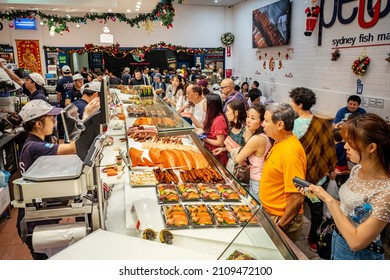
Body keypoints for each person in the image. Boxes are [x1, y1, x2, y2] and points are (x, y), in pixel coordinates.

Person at [16, 99, 100, 259]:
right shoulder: (35, 147)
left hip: (39, 215)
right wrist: (88, 117)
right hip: (33, 223)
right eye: (50, 118)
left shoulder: (36, 142)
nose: (54, 121)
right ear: (38, 124)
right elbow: (74, 147)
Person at [300, 113, 390, 260]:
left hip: (359, 255)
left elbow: (356, 242)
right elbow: (349, 208)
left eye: (350, 141)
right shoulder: (356, 170)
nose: (345, 146)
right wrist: (317, 194)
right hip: (338, 241)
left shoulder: (386, 191)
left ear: (371, 147)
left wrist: (328, 199)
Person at [289, 87, 337, 251]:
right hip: (318, 177)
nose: (291, 103)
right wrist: (331, 169)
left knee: (294, 204)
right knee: (316, 211)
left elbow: (291, 149)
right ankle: (313, 239)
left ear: (300, 104)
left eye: (293, 100)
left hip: (298, 177)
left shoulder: (294, 125)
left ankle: (288, 234)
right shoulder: (322, 123)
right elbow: (329, 148)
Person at [260, 103, 307, 242]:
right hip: (270, 211)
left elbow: (297, 196)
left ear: (280, 125)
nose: (263, 124)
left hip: (280, 217)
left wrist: (281, 226)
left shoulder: (290, 153)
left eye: (266, 121)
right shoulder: (279, 142)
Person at [235, 104, 272, 200]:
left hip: (257, 182)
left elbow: (239, 158)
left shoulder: (257, 139)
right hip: (259, 180)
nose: (248, 120)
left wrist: (244, 166)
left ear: (261, 122)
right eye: (248, 116)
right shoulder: (263, 136)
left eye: (253, 118)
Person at [213, 100, 249, 173]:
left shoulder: (245, 130)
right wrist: (223, 149)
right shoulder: (231, 126)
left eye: (228, 111)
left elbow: (246, 153)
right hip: (230, 162)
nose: (226, 113)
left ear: (236, 113)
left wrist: (230, 150)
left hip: (239, 167)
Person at [202, 93, 229, 166]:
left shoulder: (218, 120)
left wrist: (204, 138)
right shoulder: (211, 116)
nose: (203, 104)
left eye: (205, 102)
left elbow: (220, 142)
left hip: (217, 155)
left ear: (211, 105)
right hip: (211, 152)